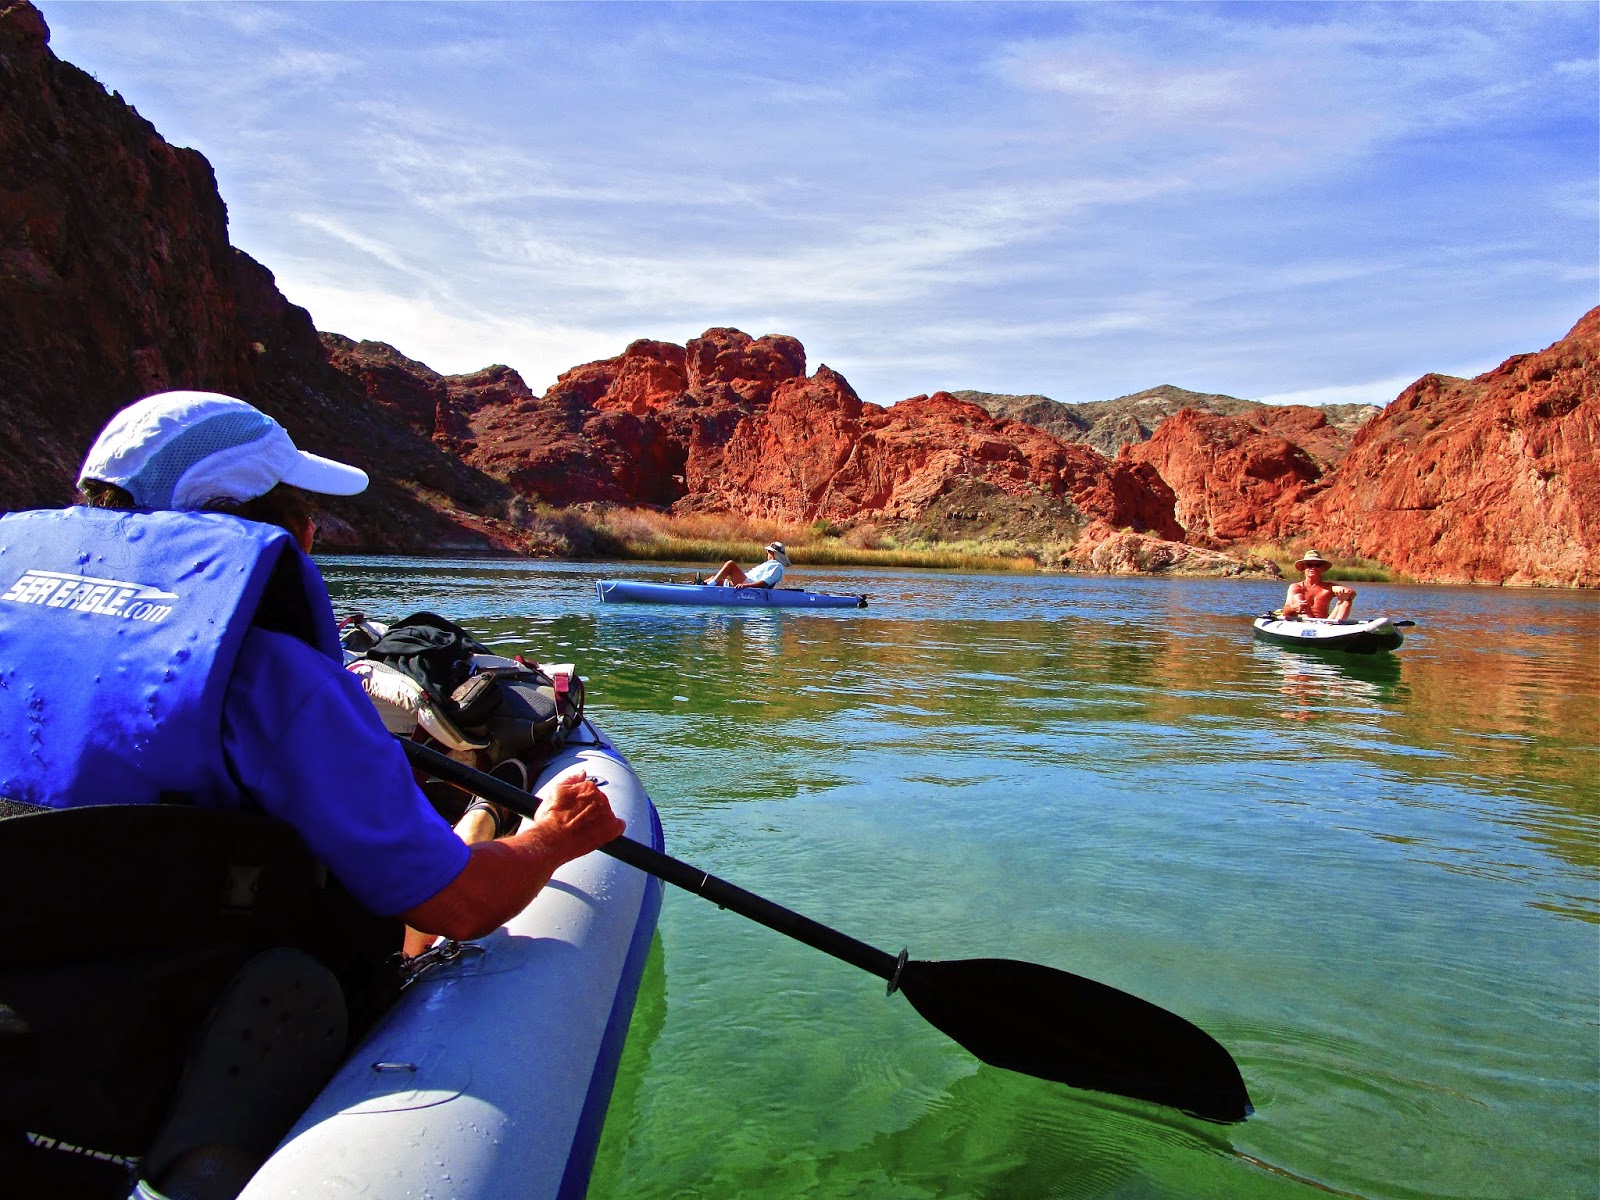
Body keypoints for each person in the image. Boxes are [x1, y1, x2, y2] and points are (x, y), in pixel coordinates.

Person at [0, 391, 625, 1200]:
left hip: (32, 1017)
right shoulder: (275, 681)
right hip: (187, 1050)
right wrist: (555, 840)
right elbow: (462, 907)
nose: (316, 527)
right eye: (301, 506)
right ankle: (490, 809)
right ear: (245, 519)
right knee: (410, 903)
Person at [1281, 549, 1356, 622]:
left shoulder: (1329, 587)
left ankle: (1338, 625)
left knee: (1346, 600)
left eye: (1317, 565)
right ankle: (1309, 623)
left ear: (1322, 568)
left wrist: (1346, 596)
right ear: (1304, 568)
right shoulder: (1296, 587)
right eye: (1309, 565)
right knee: (1297, 597)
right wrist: (1293, 608)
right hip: (1303, 623)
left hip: (1325, 624)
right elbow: (1285, 611)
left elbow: (1350, 592)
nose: (1313, 568)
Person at [706, 540, 790, 588]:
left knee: (730, 564)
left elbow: (765, 583)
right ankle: (700, 585)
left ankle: (707, 587)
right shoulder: (768, 564)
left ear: (771, 552)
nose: (767, 553)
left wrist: (746, 586)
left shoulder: (777, 566)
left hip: (749, 585)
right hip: (746, 582)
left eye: (768, 551)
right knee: (714, 579)